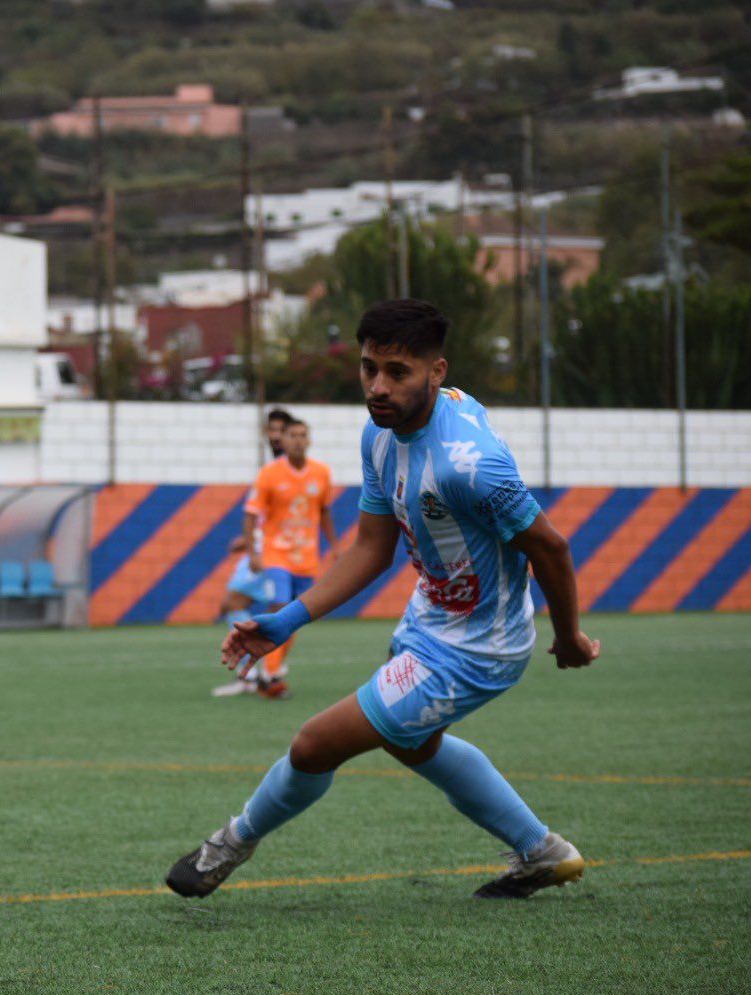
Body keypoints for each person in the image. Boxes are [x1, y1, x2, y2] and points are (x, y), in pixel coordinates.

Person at [167, 299, 599, 902]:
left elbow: (550, 548)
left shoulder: (473, 465)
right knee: (412, 742)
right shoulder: (379, 433)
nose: (378, 386)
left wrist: (570, 635)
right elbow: (372, 546)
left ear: (437, 371)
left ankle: (227, 846)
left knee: (314, 743)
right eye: (370, 368)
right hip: (430, 620)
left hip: (479, 647)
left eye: (398, 372)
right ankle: (541, 852)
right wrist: (288, 620)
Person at [235, 418, 335, 699]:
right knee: (279, 609)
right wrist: (253, 553)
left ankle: (271, 669)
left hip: (306, 558)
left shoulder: (321, 473)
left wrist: (335, 545)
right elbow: (250, 514)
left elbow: (325, 511)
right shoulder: (268, 474)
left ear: (309, 440)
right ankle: (269, 674)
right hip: (275, 554)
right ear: (284, 440)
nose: (298, 440)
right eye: (293, 435)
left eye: (303, 435)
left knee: (294, 618)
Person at [211, 408, 294, 698]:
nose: (274, 435)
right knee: (259, 608)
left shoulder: (291, 469)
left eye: (280, 430)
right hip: (260, 547)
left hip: (274, 552)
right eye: (271, 430)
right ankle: (263, 672)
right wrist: (248, 542)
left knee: (245, 604)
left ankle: (261, 673)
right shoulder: (272, 468)